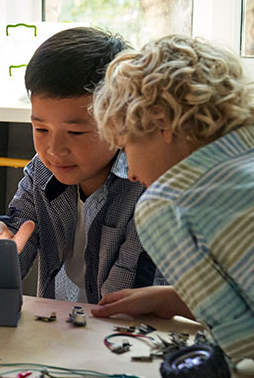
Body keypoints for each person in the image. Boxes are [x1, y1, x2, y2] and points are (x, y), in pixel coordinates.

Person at [0, 27, 165, 304]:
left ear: (120, 121)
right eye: (40, 129)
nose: (54, 149)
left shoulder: (146, 188)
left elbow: (121, 310)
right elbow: (18, 233)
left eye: (75, 133)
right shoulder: (41, 171)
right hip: (62, 334)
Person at [90, 35, 254, 360]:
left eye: (126, 147)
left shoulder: (168, 204)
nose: (132, 173)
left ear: (162, 121)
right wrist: (174, 299)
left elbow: (242, 348)